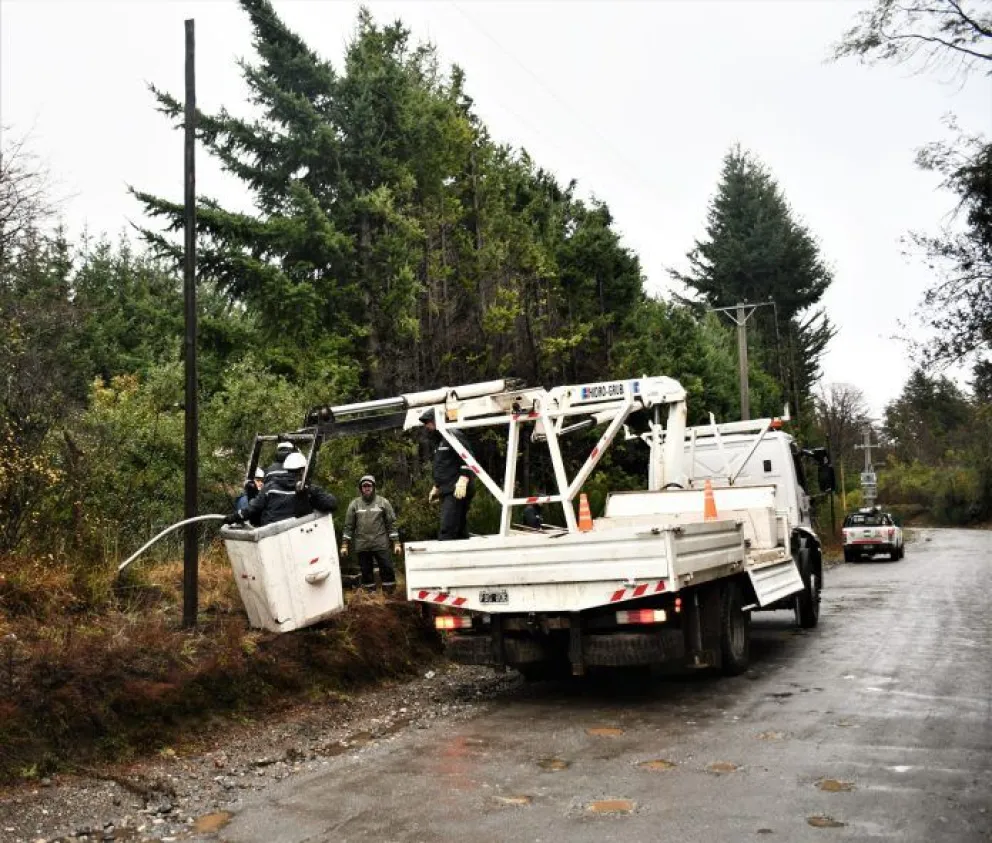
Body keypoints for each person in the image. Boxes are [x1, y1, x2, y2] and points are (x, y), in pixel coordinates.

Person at [225, 452, 337, 528]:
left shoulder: (269, 488)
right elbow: (331, 504)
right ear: (303, 470)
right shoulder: (309, 489)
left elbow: (252, 509)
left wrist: (233, 517)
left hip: (270, 536)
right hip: (300, 535)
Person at [339, 475, 401, 593]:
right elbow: (348, 526)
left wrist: (396, 542)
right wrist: (344, 545)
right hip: (362, 545)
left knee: (387, 568)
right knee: (366, 571)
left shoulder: (383, 502)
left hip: (381, 543)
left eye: (369, 485)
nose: (367, 488)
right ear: (361, 488)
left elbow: (391, 524)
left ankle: (390, 594)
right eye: (364, 486)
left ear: (373, 487)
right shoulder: (354, 504)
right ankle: (370, 595)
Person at [420, 408, 475, 540]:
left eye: (429, 422)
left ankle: (443, 559)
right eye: (426, 423)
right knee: (459, 529)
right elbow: (444, 466)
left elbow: (467, 456)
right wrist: (437, 486)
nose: (427, 426)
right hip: (447, 489)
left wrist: (464, 478)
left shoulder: (454, 435)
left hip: (457, 489)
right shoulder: (440, 441)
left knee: (448, 528)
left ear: (436, 420)